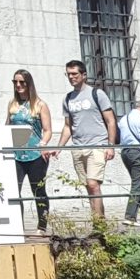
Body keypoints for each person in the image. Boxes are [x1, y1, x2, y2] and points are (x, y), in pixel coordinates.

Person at [51, 59, 117, 227]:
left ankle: (99, 225)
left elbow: (110, 121)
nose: (71, 77)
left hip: (97, 144)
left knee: (93, 184)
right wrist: (59, 147)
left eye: (75, 74)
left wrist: (110, 145)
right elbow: (68, 126)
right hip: (78, 146)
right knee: (88, 187)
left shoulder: (97, 94)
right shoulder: (68, 98)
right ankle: (99, 221)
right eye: (69, 74)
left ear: (83, 75)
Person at [5, 68, 53, 231]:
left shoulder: (40, 105)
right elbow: (7, 127)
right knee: (13, 190)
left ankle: (42, 226)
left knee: (38, 190)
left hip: (35, 154)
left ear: (28, 83)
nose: (18, 85)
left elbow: (47, 130)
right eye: (15, 82)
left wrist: (43, 144)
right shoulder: (12, 104)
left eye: (22, 82)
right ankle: (17, 225)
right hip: (16, 154)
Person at [116, 96, 140, 224]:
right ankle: (130, 217)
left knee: (139, 182)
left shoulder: (123, 119)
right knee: (138, 183)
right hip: (138, 152)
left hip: (125, 152)